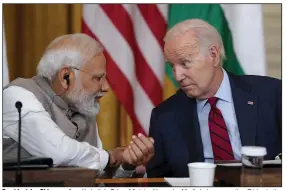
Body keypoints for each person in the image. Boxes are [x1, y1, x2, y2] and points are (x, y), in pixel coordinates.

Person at [3, 33, 154, 178]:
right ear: (65, 77)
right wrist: (111, 157)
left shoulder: (82, 105)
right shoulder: (18, 96)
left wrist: (127, 164)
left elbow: (96, 175)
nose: (106, 87)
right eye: (98, 78)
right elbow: (58, 152)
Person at [146, 19, 282, 177]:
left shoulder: (272, 93)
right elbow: (159, 179)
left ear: (214, 55)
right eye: (172, 66)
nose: (177, 76)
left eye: (185, 63)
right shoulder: (164, 116)